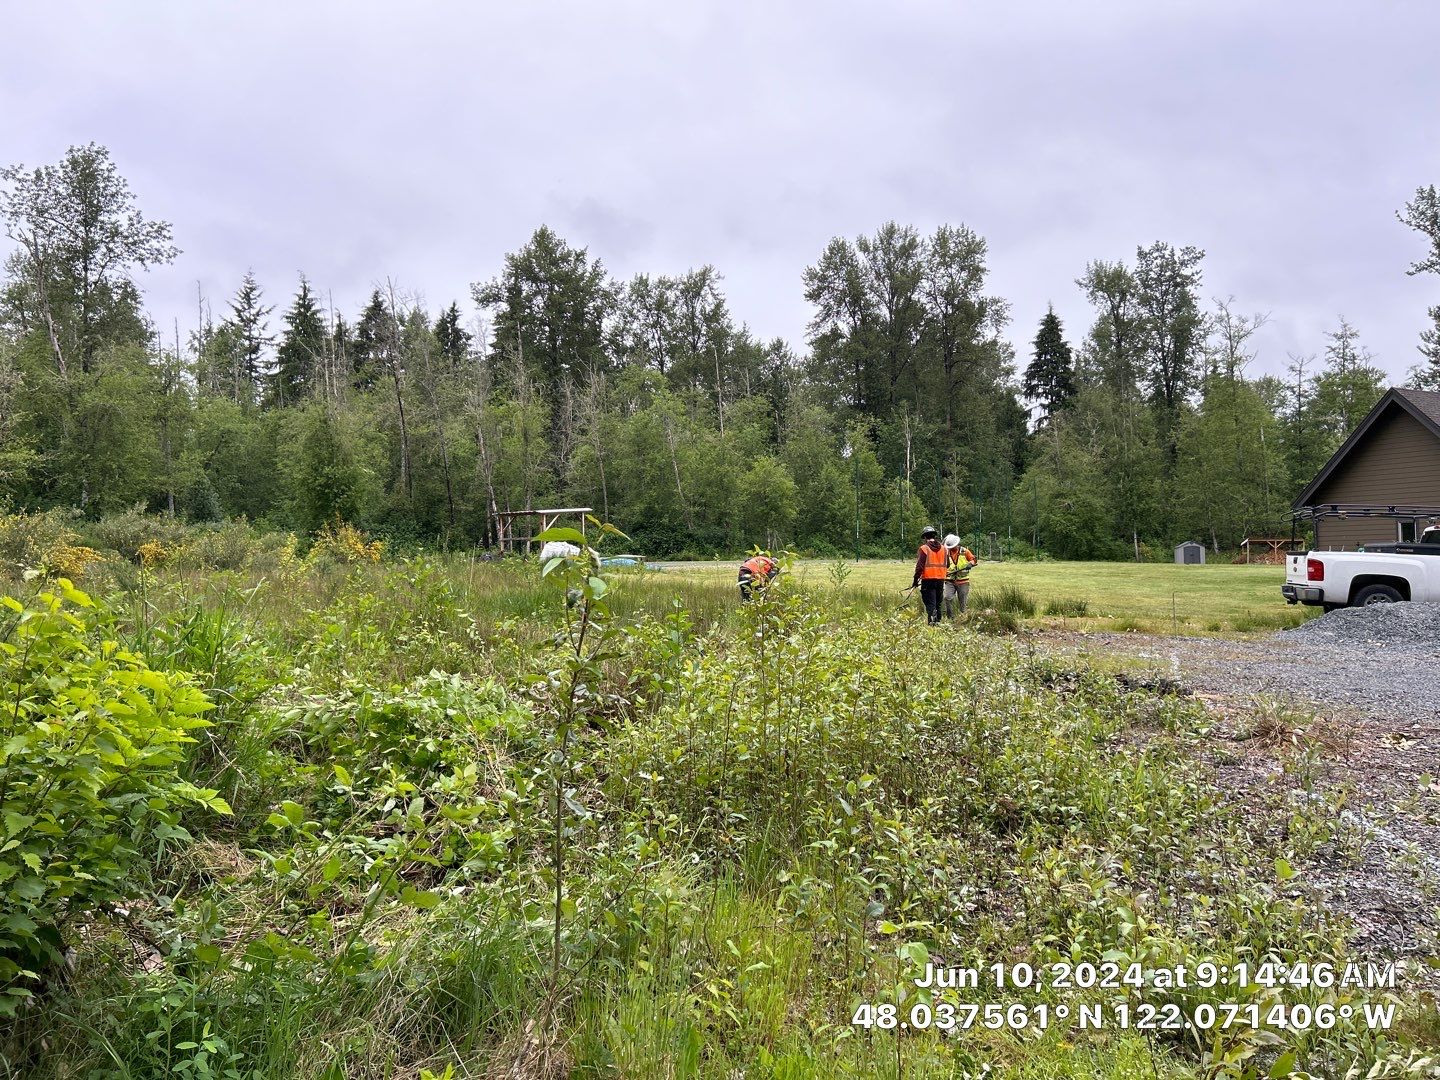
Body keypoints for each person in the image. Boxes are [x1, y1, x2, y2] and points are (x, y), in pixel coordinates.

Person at [911, 526, 947, 625]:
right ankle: (938, 623)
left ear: (925, 537)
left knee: (930, 604)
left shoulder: (924, 548)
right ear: (934, 536)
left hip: (928, 580)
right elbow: (946, 564)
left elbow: (919, 567)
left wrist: (915, 580)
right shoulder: (944, 549)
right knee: (938, 603)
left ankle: (932, 625)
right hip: (941, 580)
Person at [943, 533, 978, 618]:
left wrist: (970, 563)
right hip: (949, 581)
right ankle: (950, 618)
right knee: (947, 598)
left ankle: (963, 618)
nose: (951, 548)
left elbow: (974, 560)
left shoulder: (965, 551)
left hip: (963, 581)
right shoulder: (946, 552)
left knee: (963, 602)